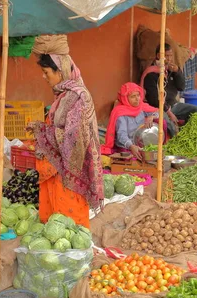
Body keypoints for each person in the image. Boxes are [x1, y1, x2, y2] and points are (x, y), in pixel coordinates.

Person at [31, 49, 103, 228]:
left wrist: (42, 131)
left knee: (70, 225)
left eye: (46, 72)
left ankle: (74, 253)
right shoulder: (63, 94)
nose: (43, 77)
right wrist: (42, 128)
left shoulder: (78, 96)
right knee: (55, 222)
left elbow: (74, 137)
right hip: (59, 166)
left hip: (72, 169)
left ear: (60, 71)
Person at [141, 44, 197, 136]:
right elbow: (154, 100)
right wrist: (169, 112)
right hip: (159, 109)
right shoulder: (150, 74)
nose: (169, 59)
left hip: (174, 105)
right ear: (158, 56)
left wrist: (177, 72)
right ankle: (176, 141)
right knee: (167, 120)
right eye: (166, 55)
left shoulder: (170, 70)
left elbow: (181, 87)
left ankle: (190, 136)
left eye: (170, 56)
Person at [101, 83, 159, 159]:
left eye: (138, 95)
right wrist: (131, 146)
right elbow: (122, 135)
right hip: (127, 146)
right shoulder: (120, 113)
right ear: (125, 99)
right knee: (135, 161)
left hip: (140, 141)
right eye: (133, 96)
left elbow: (158, 112)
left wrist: (152, 116)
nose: (137, 99)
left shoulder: (141, 106)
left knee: (162, 122)